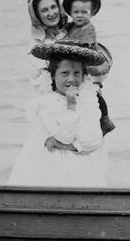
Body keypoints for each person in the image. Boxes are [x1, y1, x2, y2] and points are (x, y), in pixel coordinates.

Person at [7, 40, 111, 188]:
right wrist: (71, 105)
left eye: (77, 73)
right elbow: (64, 135)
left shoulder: (88, 102)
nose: (71, 79)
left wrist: (68, 146)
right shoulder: (47, 103)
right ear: (53, 76)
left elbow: (93, 140)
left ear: (83, 76)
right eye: (64, 73)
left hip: (80, 165)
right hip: (49, 164)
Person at [60, 0, 115, 135]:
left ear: (91, 14)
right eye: (76, 12)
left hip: (89, 62)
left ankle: (105, 119)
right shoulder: (71, 26)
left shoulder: (88, 28)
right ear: (71, 13)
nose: (79, 15)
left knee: (95, 90)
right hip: (77, 62)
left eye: (84, 12)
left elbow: (85, 47)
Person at [24, 0, 70, 91]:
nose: (51, 13)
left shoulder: (74, 31)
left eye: (53, 7)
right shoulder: (36, 48)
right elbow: (39, 85)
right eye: (44, 10)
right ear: (37, 16)